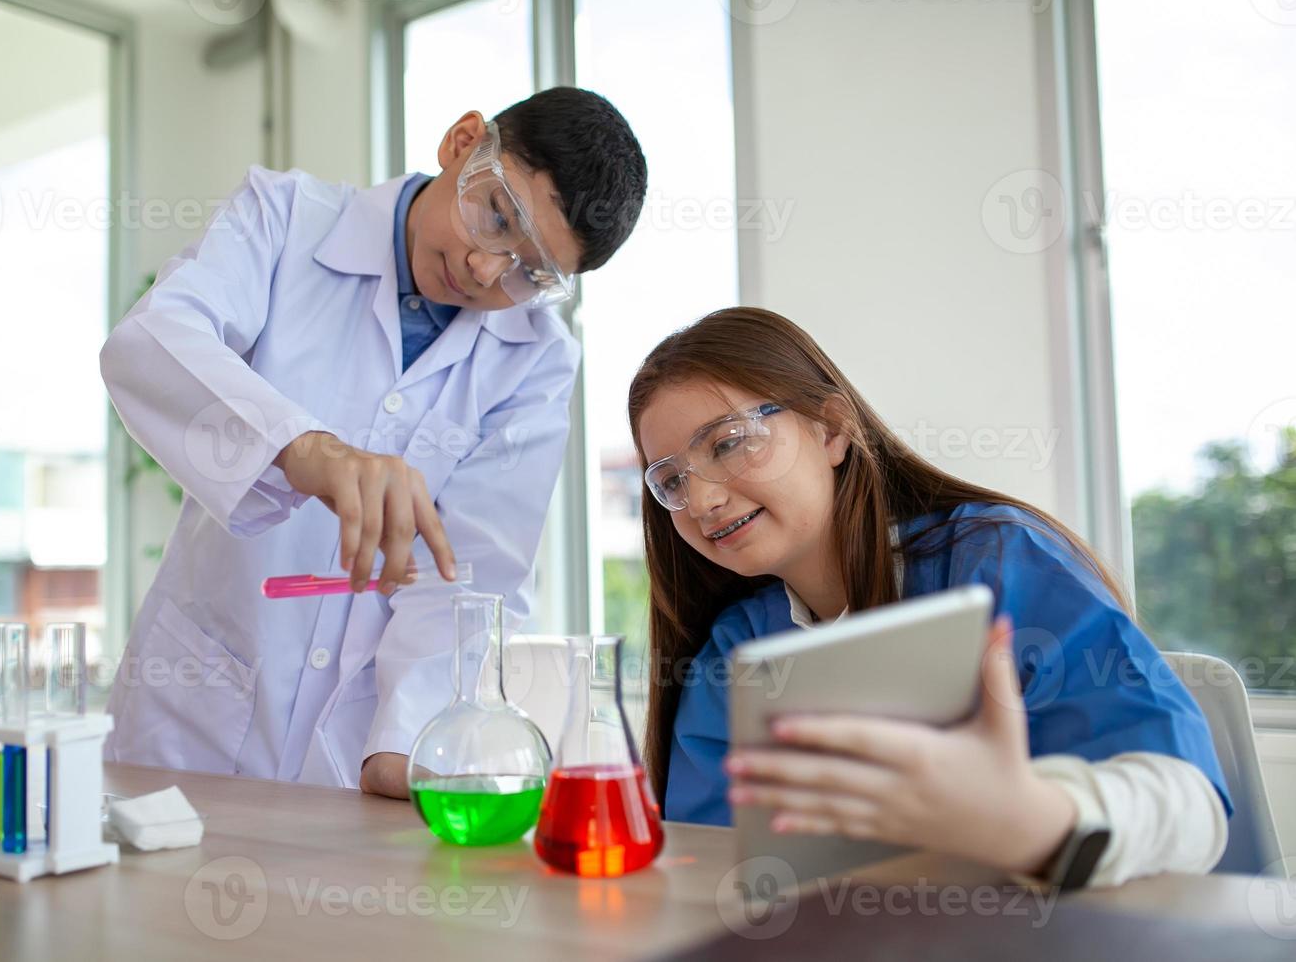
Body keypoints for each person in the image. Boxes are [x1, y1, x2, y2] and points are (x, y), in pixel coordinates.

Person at [100, 87, 646, 797]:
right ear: (462, 141)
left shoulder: (539, 359)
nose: (488, 270)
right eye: (496, 215)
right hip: (188, 723)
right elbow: (153, 340)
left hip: (359, 761)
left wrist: (404, 747)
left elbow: (471, 573)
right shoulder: (286, 218)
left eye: (530, 272)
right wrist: (305, 449)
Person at [628, 306, 1230, 886]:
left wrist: (1026, 820)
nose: (701, 499)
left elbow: (1190, 805)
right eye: (673, 479)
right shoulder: (737, 649)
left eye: (729, 443)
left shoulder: (996, 563)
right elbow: (706, 868)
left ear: (832, 429)